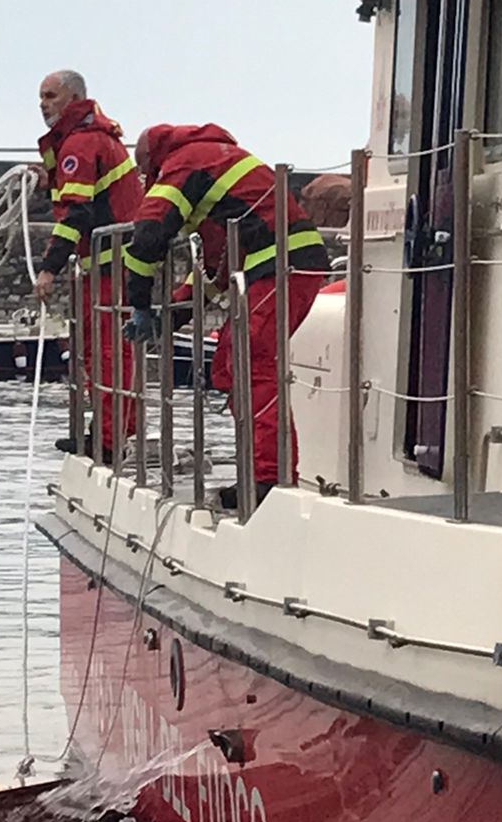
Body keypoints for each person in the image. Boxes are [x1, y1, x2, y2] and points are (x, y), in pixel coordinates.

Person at [122, 124, 327, 510]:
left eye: (146, 173)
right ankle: (261, 473)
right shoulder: (215, 165)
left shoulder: (185, 165)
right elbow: (217, 266)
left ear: (153, 162)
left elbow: (147, 235)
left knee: (252, 366)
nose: (147, 181)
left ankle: (270, 480)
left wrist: (141, 303)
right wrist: (176, 313)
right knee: (234, 367)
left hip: (281, 268)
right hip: (284, 266)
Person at [30, 70, 140, 453]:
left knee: (106, 353)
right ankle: (117, 430)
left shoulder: (80, 144)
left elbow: (75, 213)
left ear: (73, 98)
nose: (42, 104)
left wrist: (48, 268)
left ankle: (109, 441)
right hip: (117, 262)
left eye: (50, 96)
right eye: (40, 97)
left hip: (111, 264)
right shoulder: (93, 139)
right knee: (109, 351)